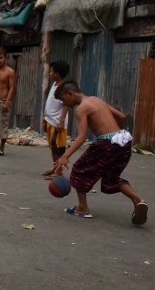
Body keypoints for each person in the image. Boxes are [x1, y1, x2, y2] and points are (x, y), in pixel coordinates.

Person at [53, 81, 148, 224]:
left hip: (107, 143)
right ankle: (138, 200)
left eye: (63, 99)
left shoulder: (81, 109)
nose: (64, 103)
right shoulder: (96, 99)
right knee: (112, 178)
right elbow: (122, 116)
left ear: (70, 94)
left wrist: (65, 156)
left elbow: (82, 136)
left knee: (79, 169)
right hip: (123, 140)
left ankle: (83, 208)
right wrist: (116, 132)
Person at [41, 61, 70, 179]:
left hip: (58, 121)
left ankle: (59, 172)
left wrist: (62, 121)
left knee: (59, 148)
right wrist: (45, 118)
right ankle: (54, 167)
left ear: (57, 74)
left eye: (51, 71)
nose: (49, 73)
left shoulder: (63, 87)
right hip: (50, 120)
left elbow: (66, 105)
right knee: (53, 146)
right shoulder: (54, 85)